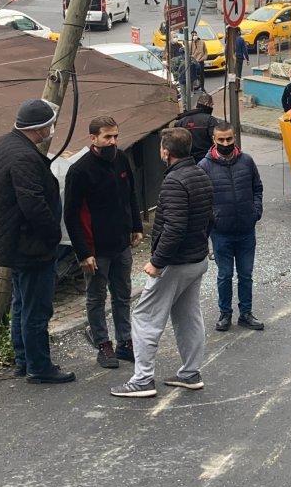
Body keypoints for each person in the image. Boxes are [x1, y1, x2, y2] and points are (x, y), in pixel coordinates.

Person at [110, 128, 213, 398]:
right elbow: (209, 217)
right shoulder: (201, 174)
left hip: (175, 263)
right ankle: (190, 373)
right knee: (188, 316)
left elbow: (174, 228)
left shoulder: (173, 182)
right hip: (196, 259)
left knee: (144, 316)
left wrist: (156, 262)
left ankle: (142, 380)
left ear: (166, 152)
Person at [0, 99, 75, 384]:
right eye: (49, 127)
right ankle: (39, 367)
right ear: (39, 129)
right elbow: (33, 204)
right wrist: (52, 235)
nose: (51, 131)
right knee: (36, 308)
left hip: (9, 243)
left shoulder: (2, 144)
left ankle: (23, 359)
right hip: (30, 247)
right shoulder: (24, 157)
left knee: (21, 302)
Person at [63, 116, 144, 370]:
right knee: (96, 298)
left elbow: (130, 193)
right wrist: (83, 252)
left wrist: (136, 226)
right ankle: (102, 344)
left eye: (116, 136)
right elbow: (71, 215)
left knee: (122, 296)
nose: (113, 141)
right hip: (96, 250)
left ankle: (124, 342)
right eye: (107, 137)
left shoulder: (121, 159)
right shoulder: (79, 170)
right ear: (93, 138)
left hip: (121, 244)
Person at [198, 122, 264, 332]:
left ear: (234, 138)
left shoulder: (246, 161)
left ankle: (246, 314)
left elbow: (257, 188)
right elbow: (201, 200)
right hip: (221, 234)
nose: (225, 143)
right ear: (214, 140)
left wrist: (256, 211)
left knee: (246, 274)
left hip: (246, 230)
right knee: (225, 275)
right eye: (221, 140)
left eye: (229, 139)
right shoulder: (204, 167)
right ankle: (225, 314)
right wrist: (213, 219)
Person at [173, 93, 220, 163]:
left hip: (188, 161)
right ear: (207, 104)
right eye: (211, 105)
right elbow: (217, 142)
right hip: (207, 160)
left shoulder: (181, 121)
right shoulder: (210, 120)